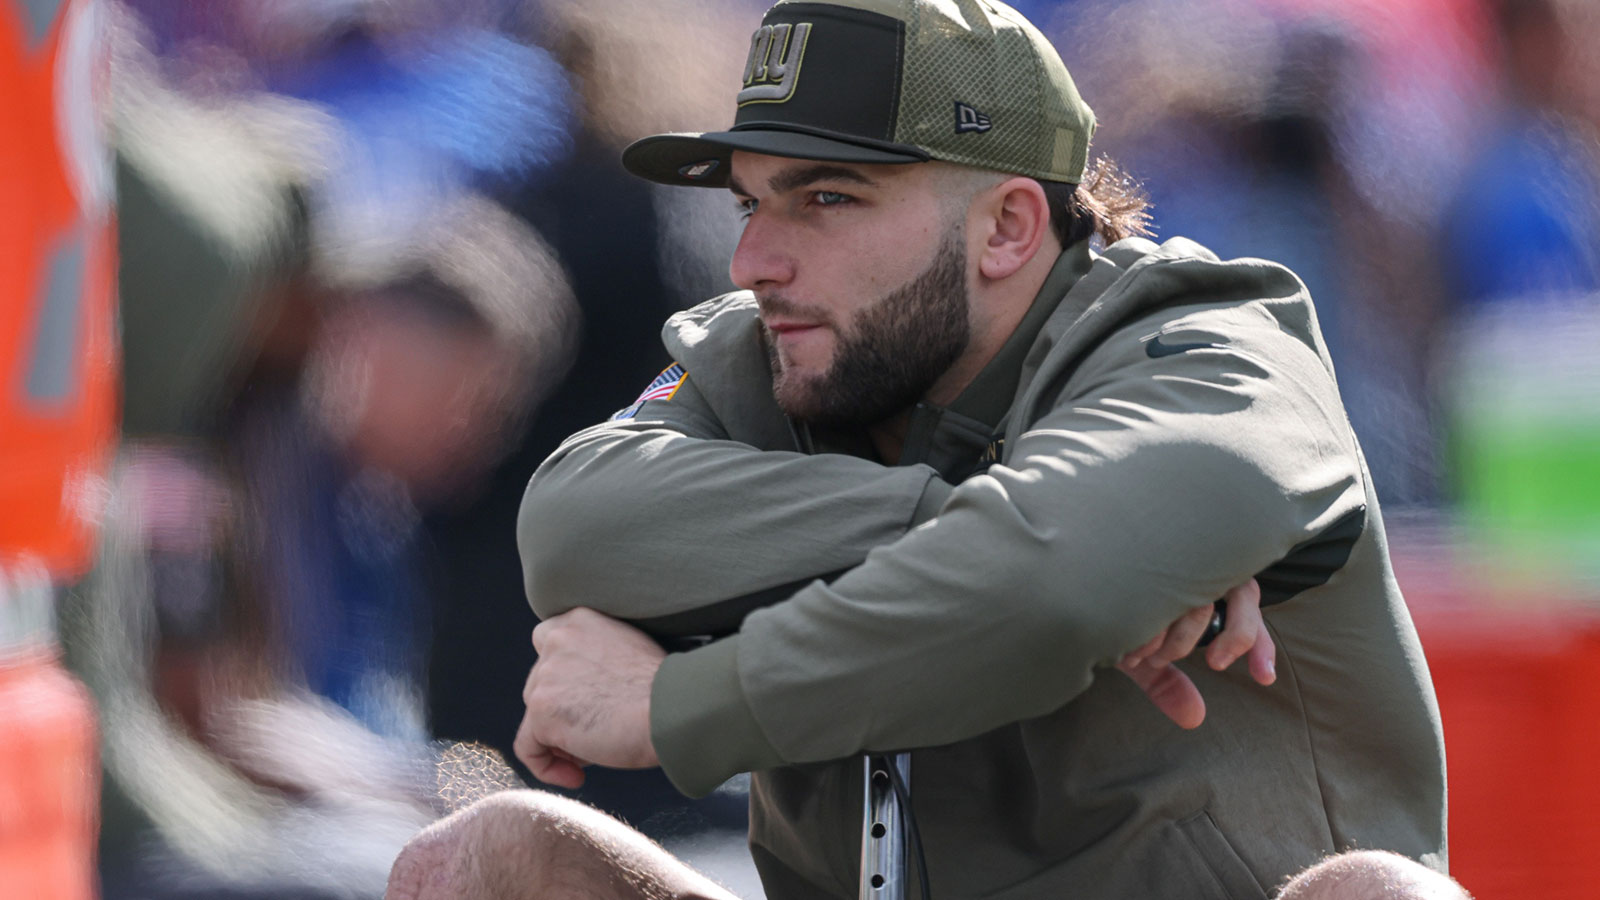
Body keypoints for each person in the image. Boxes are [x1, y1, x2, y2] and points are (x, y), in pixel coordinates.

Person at [438, 0, 1447, 896]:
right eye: (751, 201)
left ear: (1007, 226)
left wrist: (673, 707)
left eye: (827, 198)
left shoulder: (1216, 353)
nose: (753, 261)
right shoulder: (786, 348)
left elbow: (1049, 589)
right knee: (486, 858)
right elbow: (575, 523)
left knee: (1376, 895)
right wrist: (999, 524)